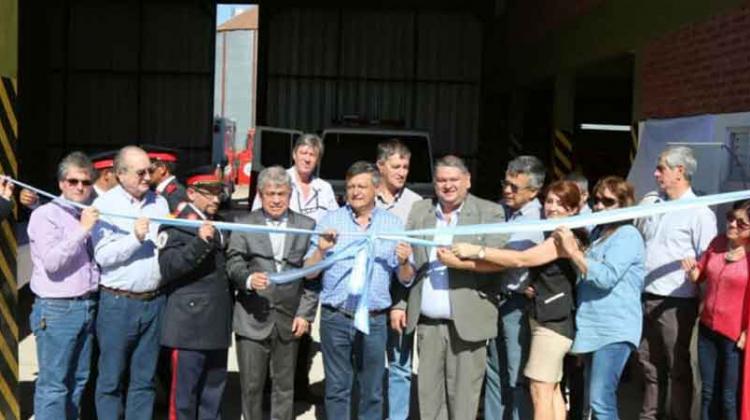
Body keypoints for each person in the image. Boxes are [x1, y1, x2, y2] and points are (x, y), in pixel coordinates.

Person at [440, 180, 585, 420]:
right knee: (552, 389)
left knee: (539, 391)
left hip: (553, 325)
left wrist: (477, 251)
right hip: (549, 320)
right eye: (549, 201)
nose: (552, 208)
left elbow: (522, 259)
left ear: (573, 210)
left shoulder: (562, 237)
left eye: (560, 204)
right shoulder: (556, 233)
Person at [391, 155, 507, 420]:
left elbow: (498, 257)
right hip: (428, 323)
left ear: (467, 181)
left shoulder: (489, 212)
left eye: (454, 180)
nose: (447, 186)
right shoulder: (421, 210)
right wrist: (400, 302)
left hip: (467, 322)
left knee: (463, 400)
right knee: (429, 399)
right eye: (441, 180)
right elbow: (410, 265)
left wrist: (460, 261)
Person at [303, 161, 415, 420]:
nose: (355, 191)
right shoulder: (330, 221)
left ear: (376, 188)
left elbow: (406, 279)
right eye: (351, 186)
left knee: (372, 389)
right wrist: (320, 249)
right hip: (335, 317)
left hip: (374, 319)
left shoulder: (393, 224)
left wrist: (405, 262)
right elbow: (309, 272)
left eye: (362, 186)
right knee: (336, 388)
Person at [226, 166, 317, 420]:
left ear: (290, 194)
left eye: (282, 194)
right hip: (252, 318)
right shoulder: (244, 224)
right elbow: (233, 262)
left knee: (285, 388)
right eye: (270, 194)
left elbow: (313, 277)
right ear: (260, 194)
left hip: (289, 320)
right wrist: (247, 279)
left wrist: (305, 314)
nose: (276, 200)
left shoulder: (306, 225)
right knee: (252, 388)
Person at [252, 133, 338, 400]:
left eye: (312, 154)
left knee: (303, 323)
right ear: (294, 155)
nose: (307, 157)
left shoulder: (325, 188)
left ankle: (298, 385)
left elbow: (334, 219)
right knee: (273, 325)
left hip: (312, 262)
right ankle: (268, 386)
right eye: (303, 152)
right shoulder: (277, 179)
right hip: (280, 261)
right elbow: (255, 217)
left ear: (318, 158)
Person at [636, 146, 717, 420]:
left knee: (677, 368)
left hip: (676, 301)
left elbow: (708, 263)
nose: (655, 173)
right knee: (649, 365)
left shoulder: (699, 213)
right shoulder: (653, 203)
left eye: (662, 168)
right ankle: (650, 416)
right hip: (645, 296)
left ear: (679, 171)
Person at [554, 176, 645, 420]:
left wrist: (573, 252)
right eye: (597, 200)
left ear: (624, 205)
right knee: (590, 404)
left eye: (608, 201)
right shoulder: (598, 232)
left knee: (601, 399)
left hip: (614, 328)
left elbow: (606, 277)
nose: (600, 206)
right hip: (592, 325)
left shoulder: (628, 235)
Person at [91, 146, 170, 420]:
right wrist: (134, 238)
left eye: (150, 170)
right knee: (111, 380)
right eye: (141, 172)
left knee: (144, 380)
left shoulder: (159, 203)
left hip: (154, 302)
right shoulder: (104, 206)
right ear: (120, 174)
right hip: (118, 304)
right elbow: (103, 256)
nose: (148, 176)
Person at [27, 152, 100, 419]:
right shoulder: (46, 215)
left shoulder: (89, 212)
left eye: (86, 182)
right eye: (73, 181)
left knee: (78, 381)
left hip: (86, 305)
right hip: (57, 309)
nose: (80, 187)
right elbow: (52, 262)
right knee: (53, 385)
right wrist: (82, 230)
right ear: (61, 184)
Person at [157, 166, 232, 420]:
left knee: (213, 396)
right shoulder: (176, 224)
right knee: (183, 399)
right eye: (208, 193)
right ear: (190, 193)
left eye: (218, 192)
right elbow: (169, 268)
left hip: (217, 322)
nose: (215, 198)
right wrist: (200, 242)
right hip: (189, 326)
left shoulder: (221, 222)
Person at [488, 155, 546, 420]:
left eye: (515, 187)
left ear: (534, 191)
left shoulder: (539, 219)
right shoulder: (500, 212)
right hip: (496, 299)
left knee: (516, 374)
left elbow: (508, 257)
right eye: (506, 183)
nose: (507, 190)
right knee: (493, 372)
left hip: (518, 304)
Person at [682, 201, 750, 420]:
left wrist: (747, 331)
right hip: (707, 329)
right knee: (708, 392)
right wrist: (693, 271)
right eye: (731, 217)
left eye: (741, 222)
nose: (732, 224)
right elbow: (700, 275)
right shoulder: (718, 243)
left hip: (734, 336)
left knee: (729, 397)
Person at [375, 139, 423, 420]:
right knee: (366, 366)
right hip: (368, 293)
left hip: (400, 292)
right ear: (381, 166)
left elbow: (417, 258)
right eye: (396, 166)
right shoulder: (366, 197)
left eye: (406, 167)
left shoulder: (416, 204)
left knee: (400, 365)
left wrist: (401, 303)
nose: (402, 172)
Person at [143, 145, 187, 213]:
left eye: (150, 170)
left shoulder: (176, 192)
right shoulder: (156, 190)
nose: (146, 175)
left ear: (162, 169)